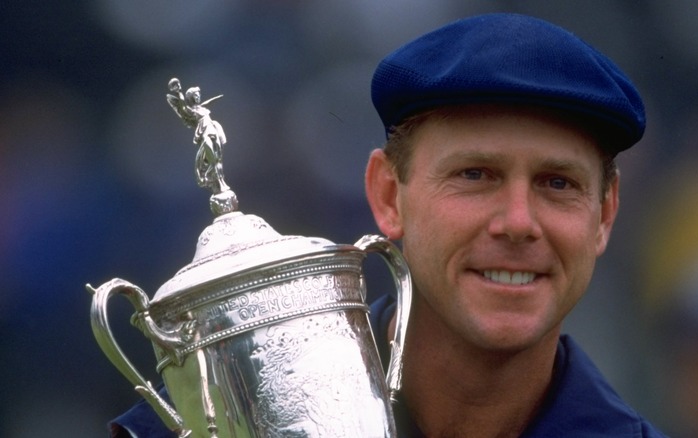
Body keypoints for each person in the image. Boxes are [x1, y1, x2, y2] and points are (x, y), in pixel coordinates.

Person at [110, 13, 666, 437]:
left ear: (605, 214)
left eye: (558, 184)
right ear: (386, 195)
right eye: (476, 175)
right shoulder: (209, 420)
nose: (518, 222)